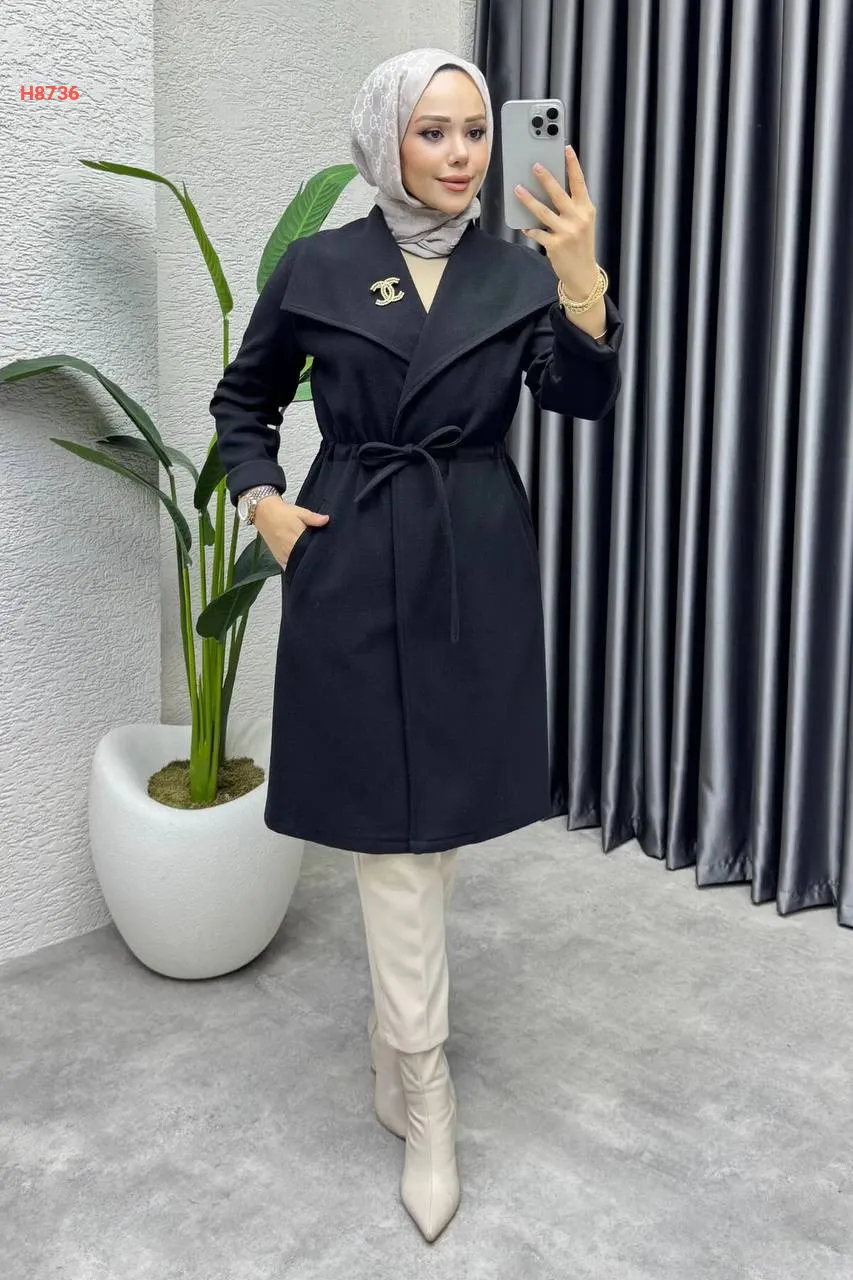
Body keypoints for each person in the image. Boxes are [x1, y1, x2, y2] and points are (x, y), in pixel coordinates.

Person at [209, 47, 623, 1243]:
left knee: (430, 833)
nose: (460, 155)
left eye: (475, 132)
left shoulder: (517, 268)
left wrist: (582, 282)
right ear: (385, 135)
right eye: (432, 131)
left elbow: (577, 399)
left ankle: (393, 1047)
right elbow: (244, 399)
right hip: (350, 546)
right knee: (391, 841)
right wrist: (263, 501)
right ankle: (427, 1090)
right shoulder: (319, 264)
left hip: (471, 556)